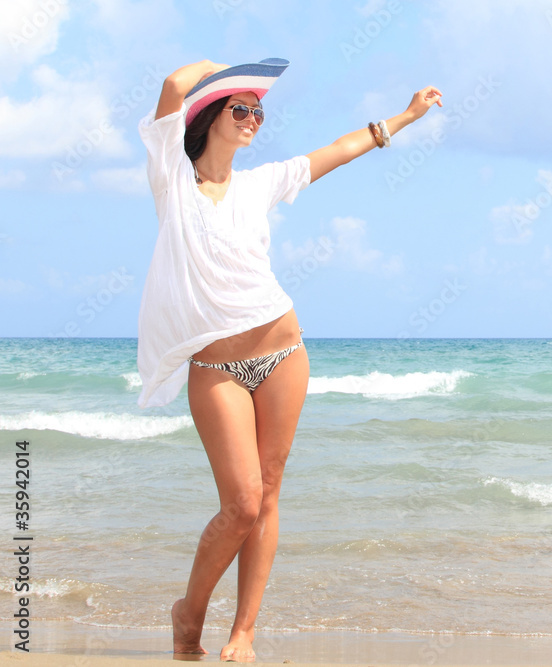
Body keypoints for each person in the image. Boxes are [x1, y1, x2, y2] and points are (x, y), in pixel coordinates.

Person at [136, 58, 442, 661]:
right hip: (216, 368)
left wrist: (406, 116)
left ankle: (244, 631)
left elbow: (337, 150)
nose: (253, 118)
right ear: (210, 118)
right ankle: (187, 614)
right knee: (241, 503)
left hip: (283, 352)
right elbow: (173, 87)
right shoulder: (172, 181)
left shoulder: (262, 182)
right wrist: (229, 71)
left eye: (258, 110)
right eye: (240, 108)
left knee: (269, 494)